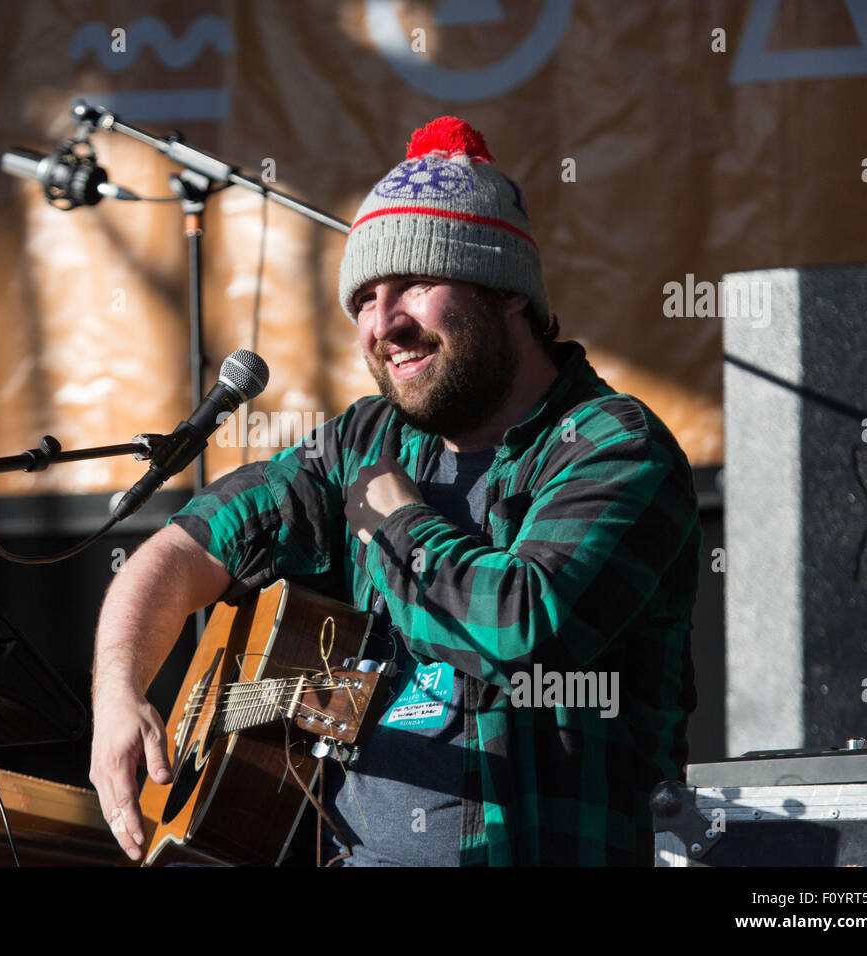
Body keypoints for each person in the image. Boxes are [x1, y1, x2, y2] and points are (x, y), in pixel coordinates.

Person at [89, 116, 701, 866]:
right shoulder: (365, 439)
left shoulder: (613, 445)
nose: (385, 324)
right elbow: (188, 544)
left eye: (414, 282)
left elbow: (523, 633)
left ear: (505, 290)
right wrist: (118, 693)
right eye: (365, 300)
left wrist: (399, 520)